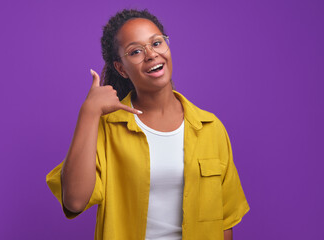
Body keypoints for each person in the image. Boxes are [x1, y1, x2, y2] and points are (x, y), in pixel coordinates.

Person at [46, 9, 250, 240]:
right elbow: (74, 201)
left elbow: (225, 222)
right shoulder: (108, 128)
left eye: (157, 43)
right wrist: (89, 113)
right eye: (135, 51)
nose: (151, 54)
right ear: (121, 68)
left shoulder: (211, 128)